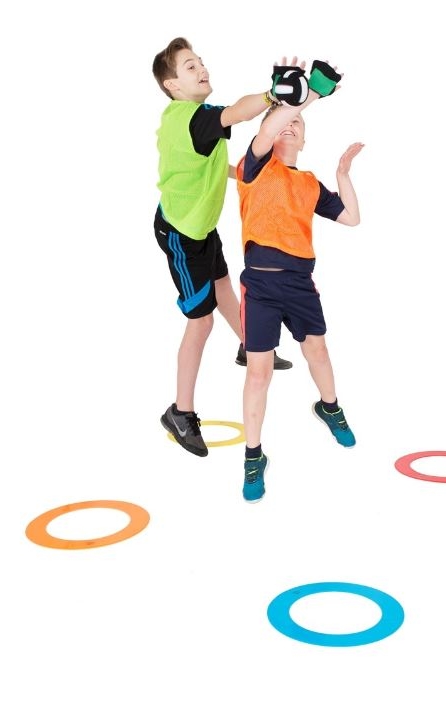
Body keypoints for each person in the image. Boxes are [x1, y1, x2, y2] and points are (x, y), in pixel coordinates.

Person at [152, 37, 294, 458]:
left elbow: (205, 162)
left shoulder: (190, 118)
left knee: (224, 287)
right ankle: (180, 412)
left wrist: (239, 174)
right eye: (190, 67)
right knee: (201, 322)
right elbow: (239, 111)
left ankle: (249, 346)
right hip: (182, 234)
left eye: (201, 62)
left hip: (199, 226)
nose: (202, 69)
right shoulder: (196, 120)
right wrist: (271, 95)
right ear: (172, 85)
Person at [235, 57, 364, 502]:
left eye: (298, 125)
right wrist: (307, 99)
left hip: (300, 284)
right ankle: (254, 456)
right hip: (261, 286)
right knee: (259, 373)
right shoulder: (253, 168)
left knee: (318, 352)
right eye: (283, 122)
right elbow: (272, 125)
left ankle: (330, 408)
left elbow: (351, 218)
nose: (290, 126)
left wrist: (343, 176)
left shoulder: (309, 183)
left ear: (305, 141)